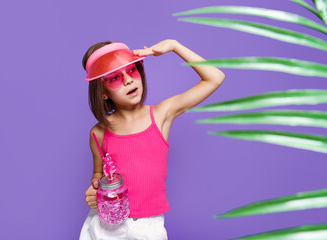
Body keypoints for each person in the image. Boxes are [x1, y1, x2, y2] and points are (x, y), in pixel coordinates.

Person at [79, 39, 225, 239]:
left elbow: (215, 78)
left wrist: (174, 46)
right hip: (105, 226)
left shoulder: (161, 115)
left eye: (132, 70)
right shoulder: (98, 133)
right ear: (102, 92)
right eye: (114, 78)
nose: (128, 80)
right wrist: (95, 191)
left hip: (148, 228)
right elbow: (99, 174)